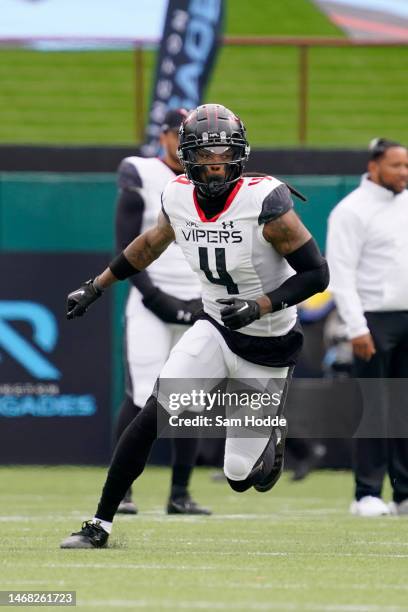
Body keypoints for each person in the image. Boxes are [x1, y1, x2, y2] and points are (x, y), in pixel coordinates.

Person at [60, 103, 329, 548]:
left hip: (269, 345)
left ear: (239, 153)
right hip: (216, 330)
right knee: (155, 412)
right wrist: (96, 286)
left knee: (240, 477)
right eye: (203, 155)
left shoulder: (266, 202)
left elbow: (317, 275)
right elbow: (147, 244)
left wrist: (261, 305)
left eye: (222, 152)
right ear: (187, 157)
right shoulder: (177, 195)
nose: (214, 163)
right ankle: (99, 525)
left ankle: (271, 437)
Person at [114, 108, 210, 516]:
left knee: (189, 398)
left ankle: (180, 493)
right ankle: (121, 492)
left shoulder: (212, 177)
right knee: (141, 395)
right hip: (151, 299)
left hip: (198, 297)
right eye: (179, 135)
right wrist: (155, 297)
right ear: (165, 136)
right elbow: (126, 244)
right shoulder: (141, 171)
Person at [326, 138, 408, 517]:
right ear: (375, 167)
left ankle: (404, 494)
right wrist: (356, 327)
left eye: (407, 166)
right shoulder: (351, 211)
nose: (404, 173)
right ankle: (367, 494)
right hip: (372, 320)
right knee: (375, 406)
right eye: (397, 166)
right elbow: (341, 274)